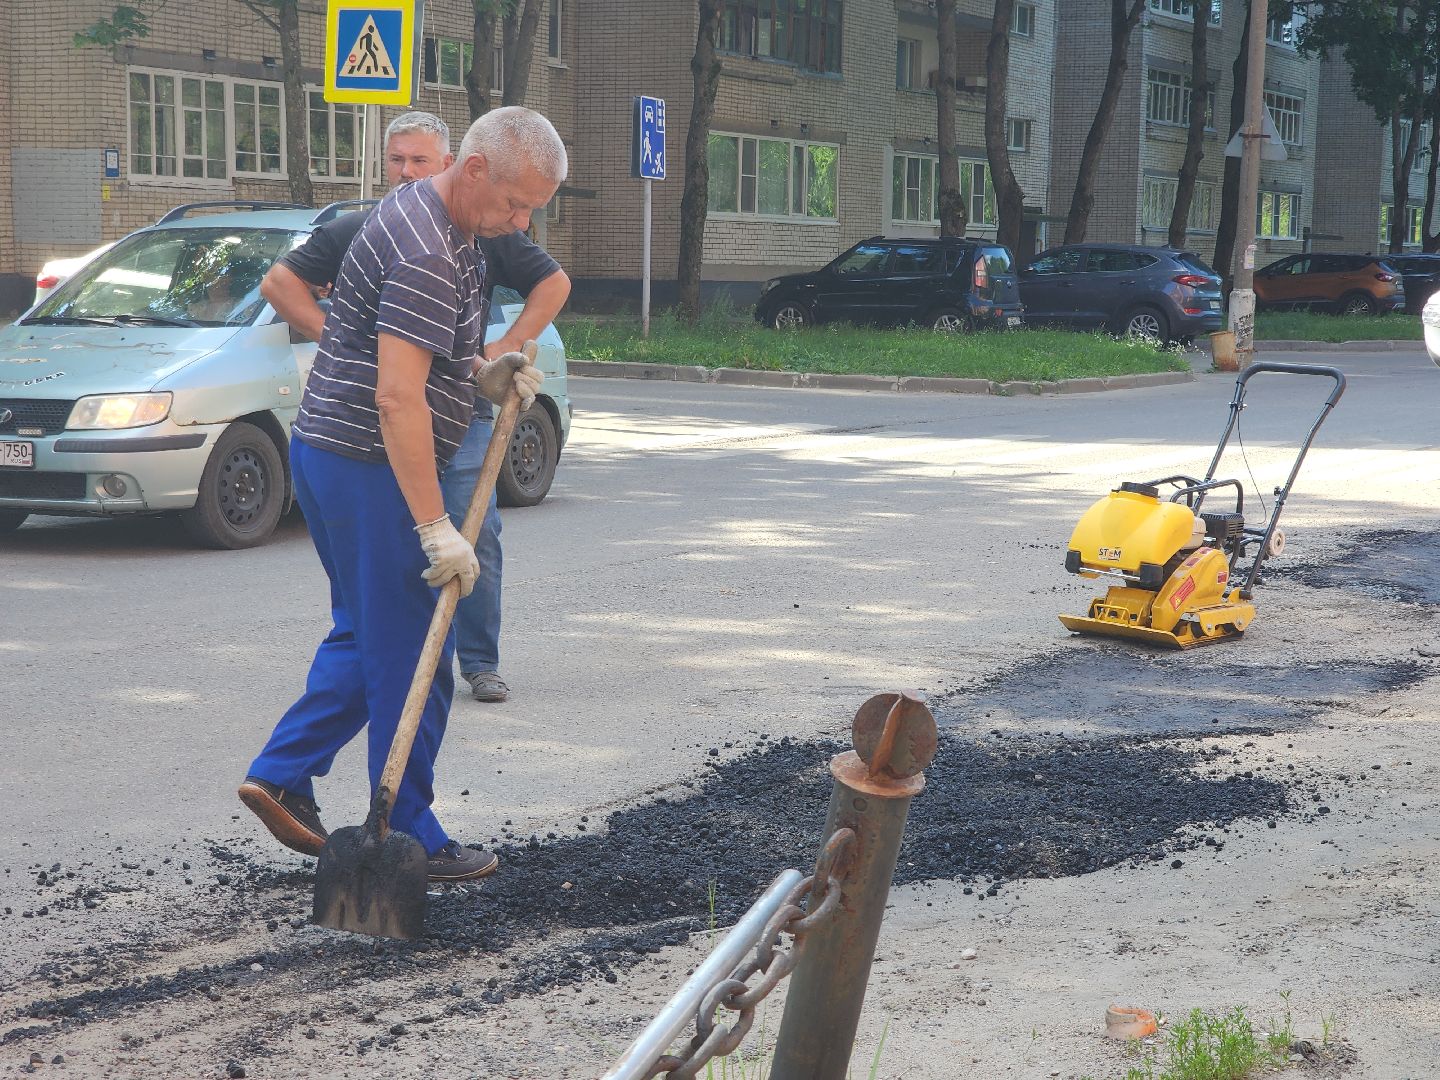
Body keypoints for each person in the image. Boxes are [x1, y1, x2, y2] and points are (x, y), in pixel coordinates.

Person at [239, 107, 567, 882]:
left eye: (533, 211)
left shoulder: (441, 219)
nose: (521, 222)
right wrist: (433, 526)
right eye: (517, 204)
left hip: (332, 454)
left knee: (365, 634)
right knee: (418, 646)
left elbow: (414, 356)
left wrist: (480, 372)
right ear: (477, 169)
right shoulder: (427, 248)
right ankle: (409, 832)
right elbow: (395, 399)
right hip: (369, 465)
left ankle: (283, 771)